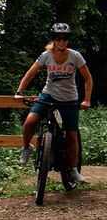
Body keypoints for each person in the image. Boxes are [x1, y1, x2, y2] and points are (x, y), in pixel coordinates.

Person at [15, 21, 92, 185]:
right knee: (29, 122)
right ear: (54, 39)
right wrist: (19, 92)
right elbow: (30, 74)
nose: (62, 41)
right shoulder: (46, 56)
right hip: (48, 96)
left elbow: (88, 79)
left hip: (69, 99)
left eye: (65, 38)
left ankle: (73, 171)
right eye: (58, 38)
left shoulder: (75, 56)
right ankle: (26, 148)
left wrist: (86, 100)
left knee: (71, 135)